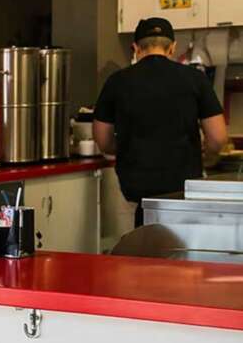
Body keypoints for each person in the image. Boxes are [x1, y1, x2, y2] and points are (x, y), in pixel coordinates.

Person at [93, 17, 229, 227]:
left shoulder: (117, 81)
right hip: (182, 191)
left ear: (136, 48)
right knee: (181, 252)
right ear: (172, 48)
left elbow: (103, 139)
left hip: (138, 191)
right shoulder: (194, 78)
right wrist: (209, 157)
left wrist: (128, 148)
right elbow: (218, 137)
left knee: (144, 248)